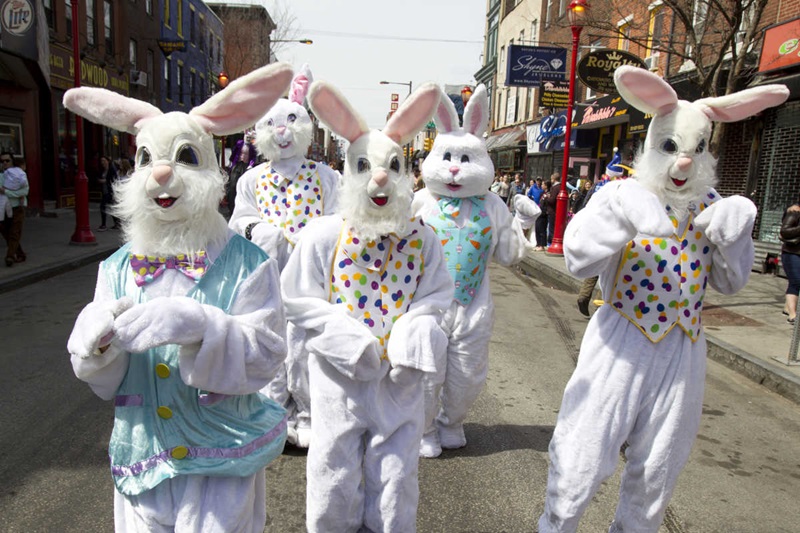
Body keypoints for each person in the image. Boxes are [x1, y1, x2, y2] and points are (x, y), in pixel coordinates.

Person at [0, 153, 29, 267]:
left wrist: (6, 192)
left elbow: (24, 191)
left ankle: (10, 256)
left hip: (18, 207)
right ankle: (20, 253)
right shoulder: (1, 176)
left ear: (12, 161)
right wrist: (15, 194)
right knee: (6, 231)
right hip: (4, 208)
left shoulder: (19, 174)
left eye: (7, 160)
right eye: (2, 161)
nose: (5, 163)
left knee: (15, 232)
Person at [780, 198, 800, 323]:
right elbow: (784, 231)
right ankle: (793, 315)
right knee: (796, 282)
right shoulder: (795, 212)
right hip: (792, 252)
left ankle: (788, 307)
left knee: (794, 281)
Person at [226, 142, 254, 217]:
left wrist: (251, 164)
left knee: (244, 187)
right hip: (237, 165)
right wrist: (231, 163)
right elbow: (234, 153)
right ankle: (231, 208)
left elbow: (253, 156)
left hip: (246, 166)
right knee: (233, 186)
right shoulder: (239, 143)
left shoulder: (252, 146)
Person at [97, 155, 118, 231]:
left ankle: (104, 225)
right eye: (101, 161)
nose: (102, 162)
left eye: (104, 161)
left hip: (110, 191)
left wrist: (105, 181)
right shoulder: (102, 170)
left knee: (104, 207)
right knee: (109, 207)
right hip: (104, 191)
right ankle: (116, 223)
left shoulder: (112, 170)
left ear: (108, 161)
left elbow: (114, 179)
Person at [533, 180, 550, 251]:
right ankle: (538, 243)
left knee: (542, 229)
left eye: (543, 184)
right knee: (537, 228)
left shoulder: (549, 194)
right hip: (539, 212)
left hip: (544, 214)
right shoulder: (542, 193)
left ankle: (542, 245)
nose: (542, 185)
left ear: (546, 186)